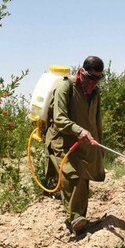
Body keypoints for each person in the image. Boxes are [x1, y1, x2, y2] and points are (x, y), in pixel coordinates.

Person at [45, 56, 106, 235]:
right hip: (62, 141)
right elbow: (59, 118)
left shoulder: (95, 93)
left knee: (84, 178)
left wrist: (99, 145)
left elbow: (96, 121)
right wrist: (78, 130)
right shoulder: (65, 87)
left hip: (84, 142)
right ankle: (75, 218)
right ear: (81, 72)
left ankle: (79, 219)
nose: (94, 82)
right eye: (91, 78)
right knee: (73, 176)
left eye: (98, 79)